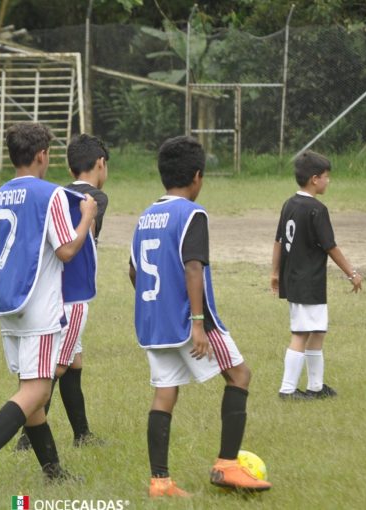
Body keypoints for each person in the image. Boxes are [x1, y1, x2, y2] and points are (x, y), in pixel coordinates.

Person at [0, 122, 97, 498]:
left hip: (7, 305)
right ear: (42, 155)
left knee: (30, 390)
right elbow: (67, 249)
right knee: (36, 390)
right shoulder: (51, 195)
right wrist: (87, 218)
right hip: (39, 307)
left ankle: (54, 471)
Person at [129, 135, 272, 497]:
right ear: (197, 176)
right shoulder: (192, 213)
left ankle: (160, 482)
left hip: (154, 325)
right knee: (239, 375)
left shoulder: (146, 216)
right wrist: (197, 324)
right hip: (192, 322)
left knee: (164, 393)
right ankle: (227, 465)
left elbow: (133, 271)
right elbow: (194, 268)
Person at [15, 134, 109, 451]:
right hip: (70, 295)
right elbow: (85, 243)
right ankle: (28, 436)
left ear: (69, 167)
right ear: (101, 164)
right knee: (56, 365)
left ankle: (82, 433)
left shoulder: (55, 193)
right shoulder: (96, 198)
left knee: (74, 360)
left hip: (51, 288)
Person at [271, 150, 362, 400]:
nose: (328, 180)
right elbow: (330, 247)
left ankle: (315, 387)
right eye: (326, 176)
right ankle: (287, 390)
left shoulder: (289, 204)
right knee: (301, 334)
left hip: (298, 280)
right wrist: (351, 273)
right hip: (307, 281)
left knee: (318, 331)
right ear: (314, 179)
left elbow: (279, 240)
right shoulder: (316, 210)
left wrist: (275, 272)